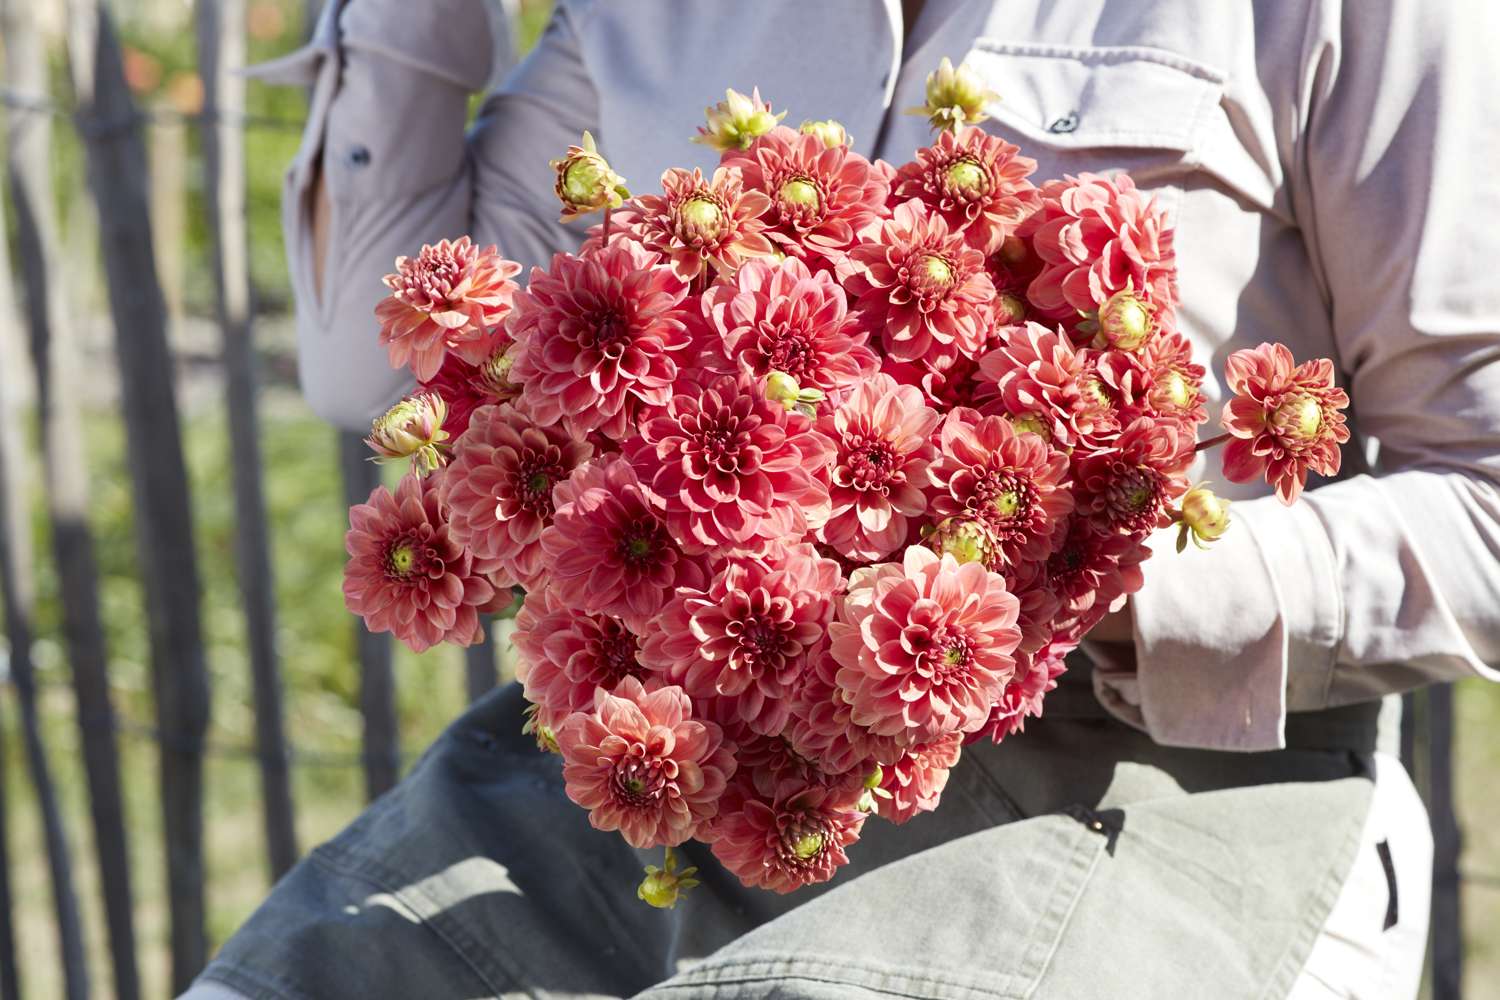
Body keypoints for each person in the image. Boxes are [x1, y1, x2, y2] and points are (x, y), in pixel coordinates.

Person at [185, 0, 1500, 996]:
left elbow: (1486, 507)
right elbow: (382, 353)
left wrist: (1078, 582)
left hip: (1152, 782)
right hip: (692, 761)